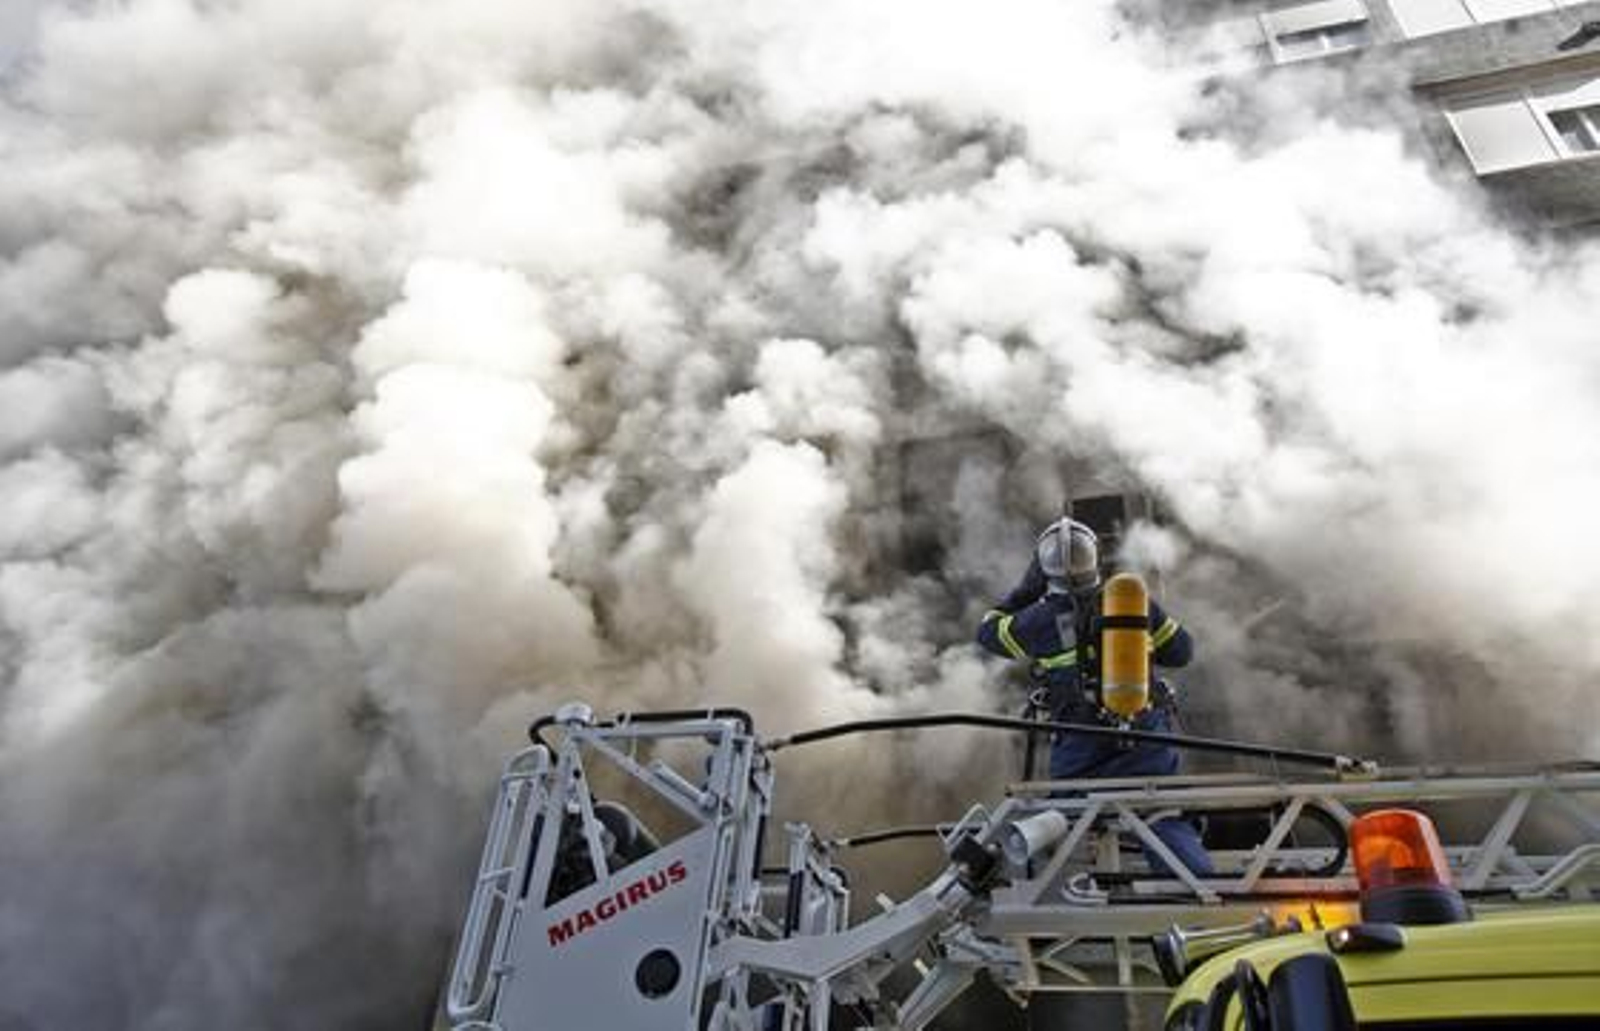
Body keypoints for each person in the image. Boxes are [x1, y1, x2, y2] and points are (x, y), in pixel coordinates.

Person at [977, 517, 1212, 877]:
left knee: (1060, 825)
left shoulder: (1038, 621)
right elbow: (1182, 652)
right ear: (1096, 560)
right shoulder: (1135, 604)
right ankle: (1200, 895)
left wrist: (1025, 590)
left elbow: (988, 632)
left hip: (1080, 754)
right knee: (1164, 815)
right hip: (1147, 749)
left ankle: (1057, 913)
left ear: (1044, 570)